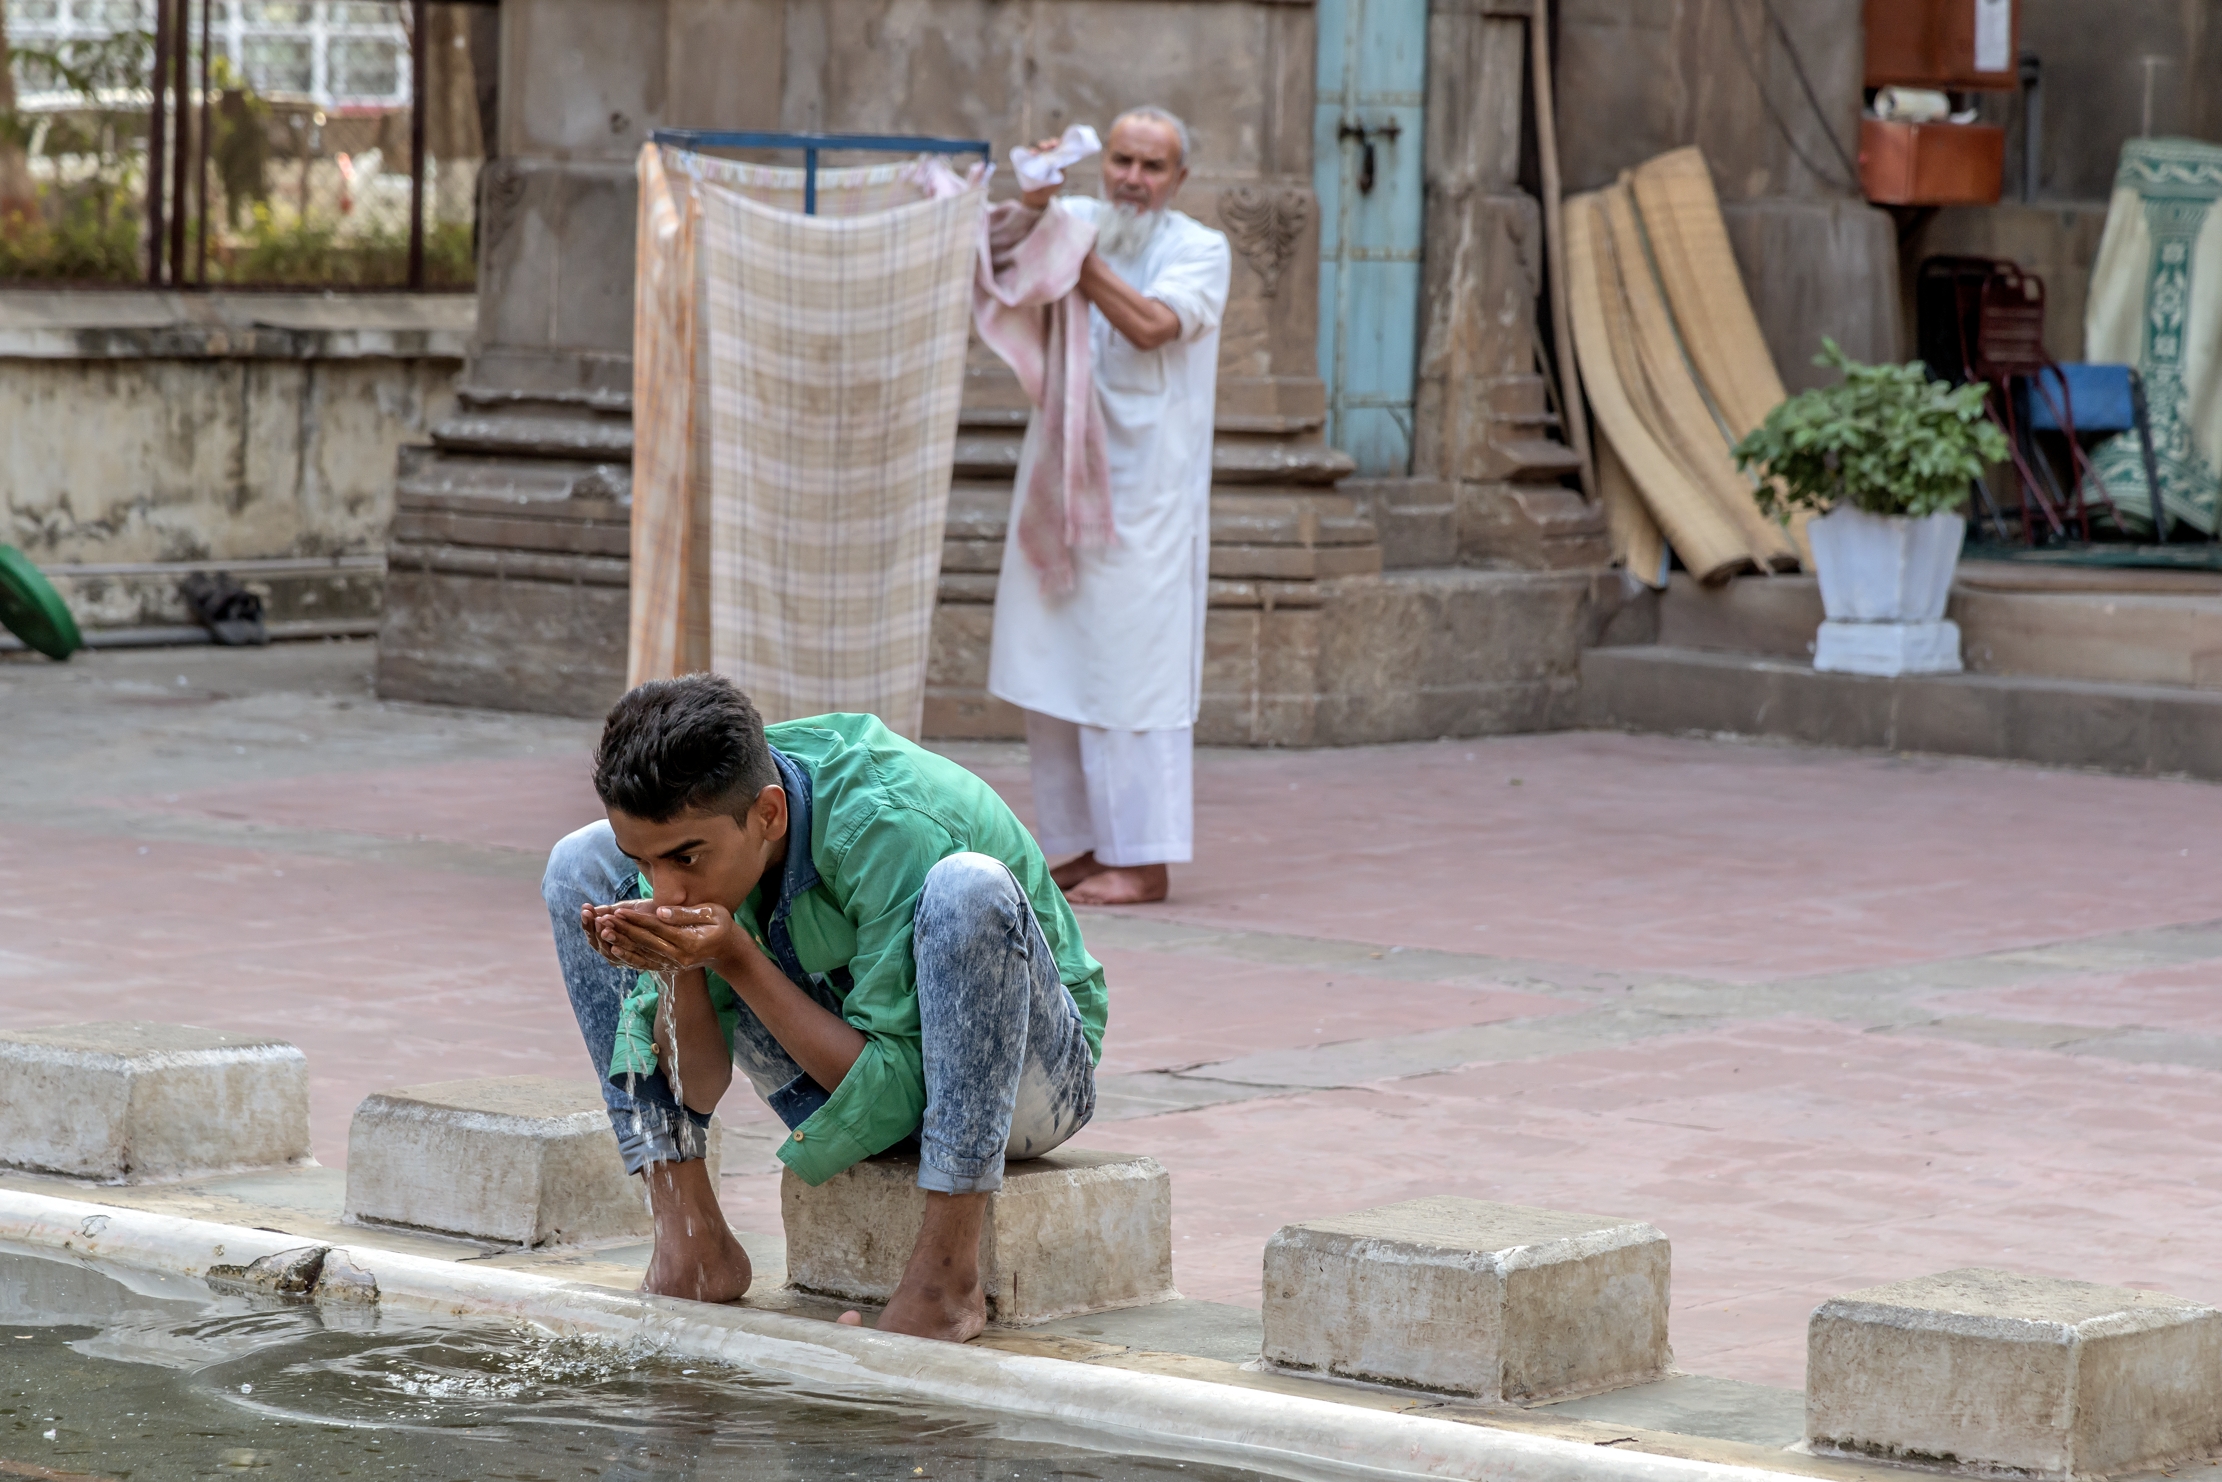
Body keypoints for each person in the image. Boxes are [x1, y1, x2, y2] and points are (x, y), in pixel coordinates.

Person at [541, 673, 1106, 1342]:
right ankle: (689, 1239)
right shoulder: (703, 830)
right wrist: (679, 965)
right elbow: (697, 1085)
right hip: (849, 1069)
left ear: (771, 815)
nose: (666, 892)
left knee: (968, 888)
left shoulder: (884, 818)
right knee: (578, 863)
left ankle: (947, 1275)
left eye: (685, 858)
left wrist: (736, 957)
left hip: (1025, 1086)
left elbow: (899, 1094)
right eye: (648, 862)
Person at [988, 107, 1231, 907]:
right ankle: (1077, 847)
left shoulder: (1200, 248)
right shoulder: (1082, 218)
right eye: (1122, 160)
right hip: (1061, 486)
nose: (1133, 177)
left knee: (1133, 675)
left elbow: (1154, 324)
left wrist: (1071, 255)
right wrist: (1036, 199)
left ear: (1179, 178)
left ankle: (1144, 859)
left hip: (1147, 500)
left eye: (1152, 166)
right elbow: (1001, 258)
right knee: (1054, 663)